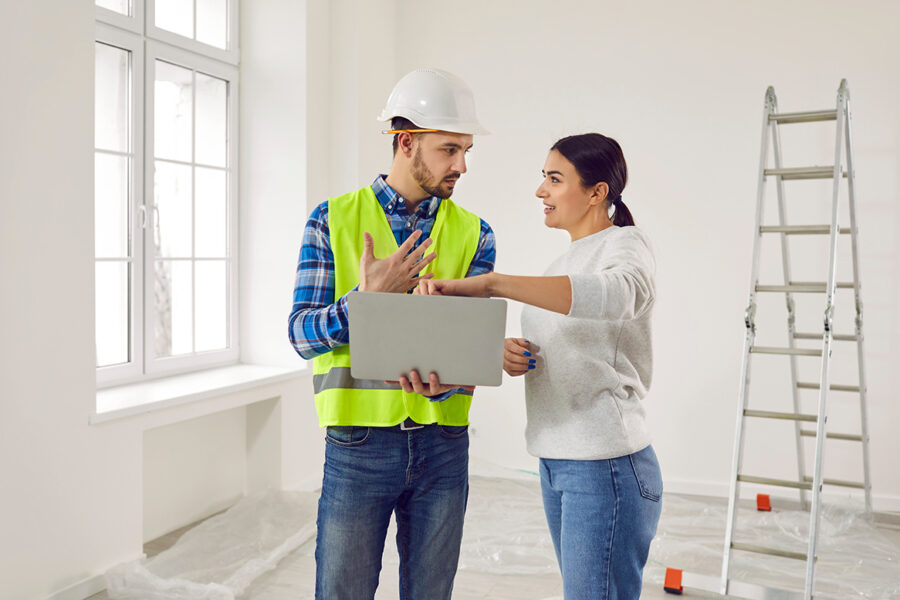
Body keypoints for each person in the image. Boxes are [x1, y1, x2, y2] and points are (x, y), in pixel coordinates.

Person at [418, 133, 662, 599]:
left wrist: (493, 283)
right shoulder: (560, 264)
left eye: (554, 179)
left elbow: (619, 294)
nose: (540, 191)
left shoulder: (627, 244)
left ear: (596, 192)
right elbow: (574, 345)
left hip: (605, 463)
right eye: (543, 178)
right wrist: (514, 354)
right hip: (558, 460)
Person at [287, 68, 495, 600]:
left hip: (444, 445)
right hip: (358, 447)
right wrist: (365, 301)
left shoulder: (476, 233)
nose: (462, 165)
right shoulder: (330, 220)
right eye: (450, 149)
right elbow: (301, 334)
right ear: (406, 143)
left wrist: (448, 384)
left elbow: (473, 351)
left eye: (466, 150)